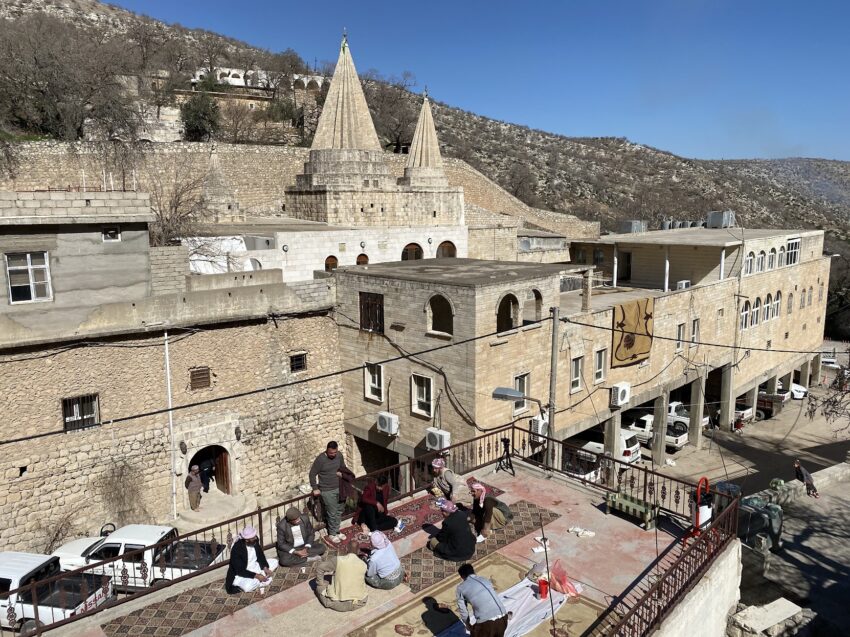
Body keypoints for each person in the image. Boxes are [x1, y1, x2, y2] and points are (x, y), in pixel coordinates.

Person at [309, 441, 349, 543]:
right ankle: (332, 533)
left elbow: (343, 467)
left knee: (340, 510)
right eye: (331, 453)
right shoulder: (321, 459)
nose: (333, 455)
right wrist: (315, 488)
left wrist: (342, 474)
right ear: (327, 450)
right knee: (332, 512)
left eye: (335, 452)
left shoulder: (339, 455)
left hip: (339, 487)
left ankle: (337, 530)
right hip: (327, 490)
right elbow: (312, 474)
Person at [455, 563, 508, 637]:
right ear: (473, 572)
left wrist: (468, 625)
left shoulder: (460, 588)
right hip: (504, 618)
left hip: (486, 623)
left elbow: (463, 610)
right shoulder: (484, 579)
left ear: (462, 576)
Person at [314, 539, 368, 611]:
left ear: (346, 549)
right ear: (358, 551)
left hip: (337, 602)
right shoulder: (363, 565)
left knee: (319, 587)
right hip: (359, 602)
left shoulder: (338, 560)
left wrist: (320, 583)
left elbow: (320, 568)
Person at [225, 526, 278, 594]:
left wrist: (265, 568)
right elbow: (240, 570)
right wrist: (257, 576)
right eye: (253, 538)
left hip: (255, 566)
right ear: (246, 540)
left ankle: (262, 577)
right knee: (247, 587)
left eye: (255, 536)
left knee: (275, 562)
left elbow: (260, 556)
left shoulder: (255, 541)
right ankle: (261, 580)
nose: (256, 538)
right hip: (243, 573)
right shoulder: (237, 549)